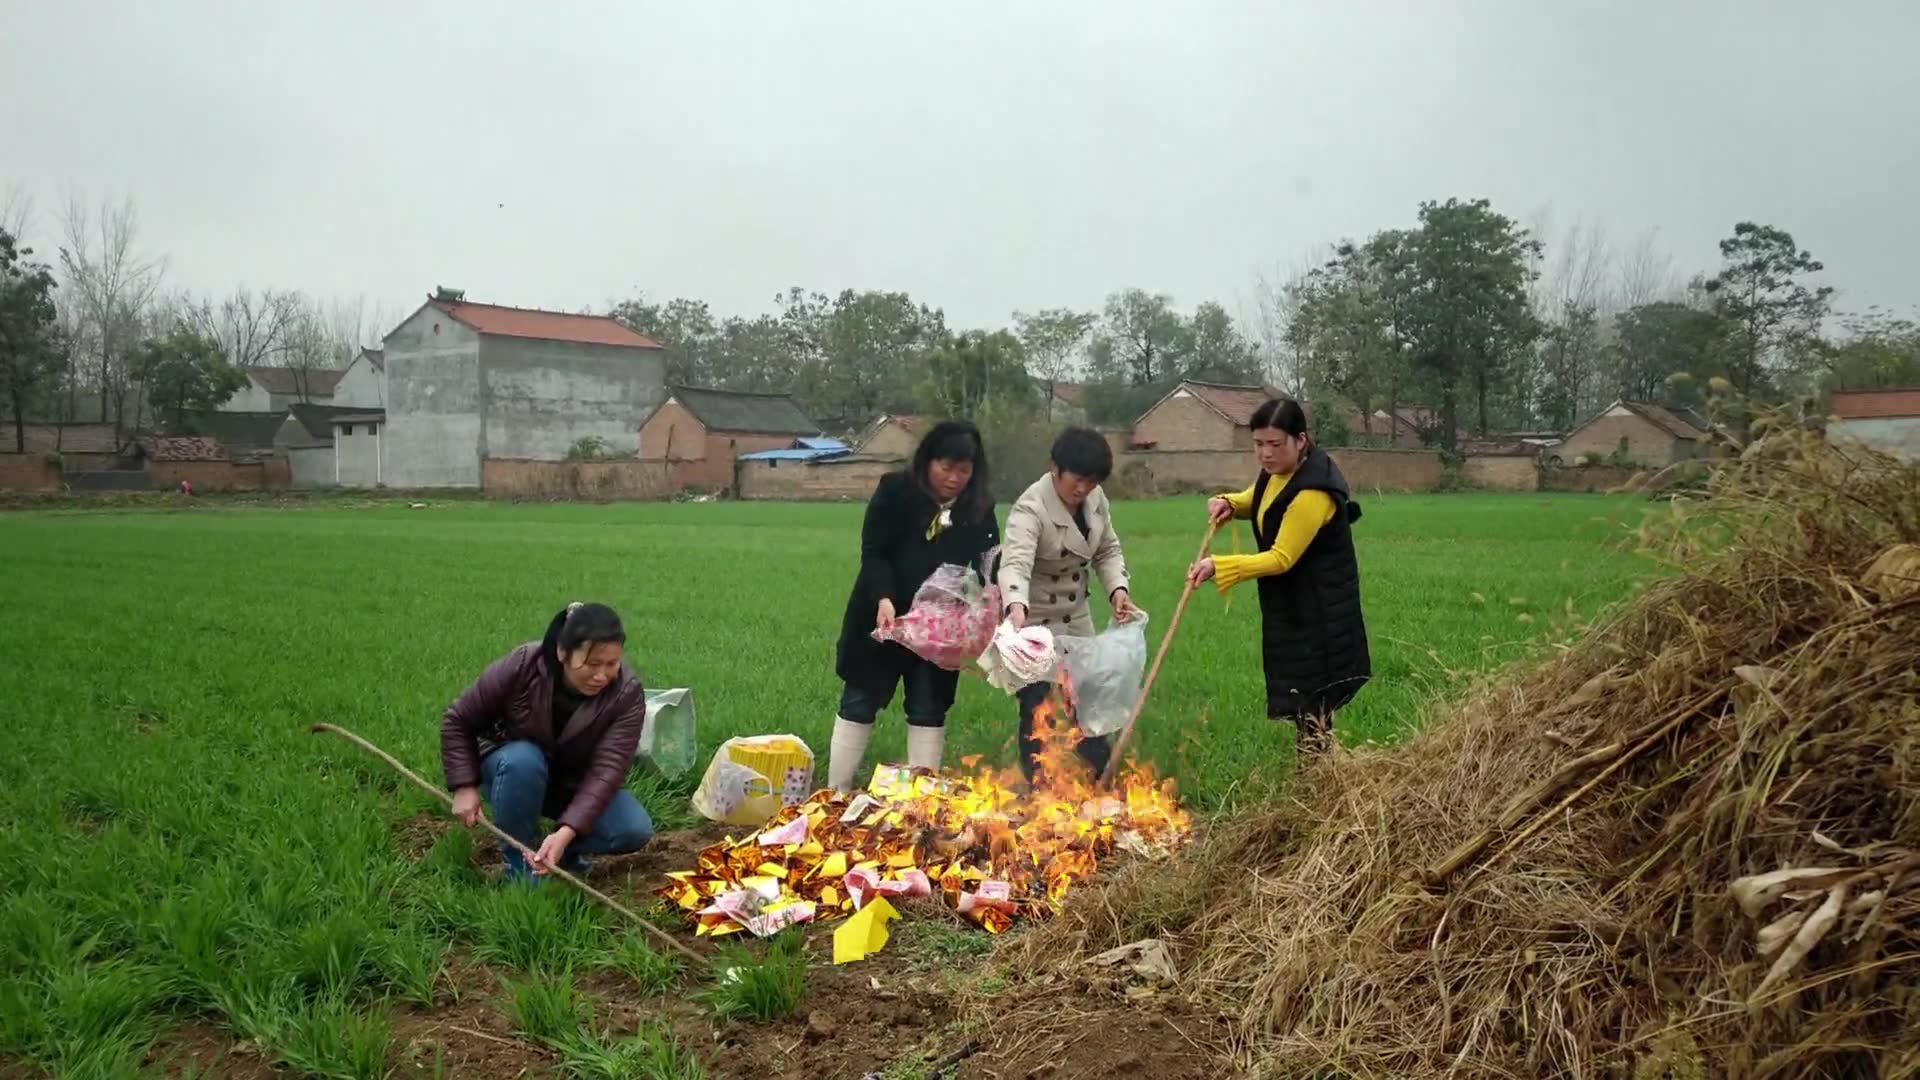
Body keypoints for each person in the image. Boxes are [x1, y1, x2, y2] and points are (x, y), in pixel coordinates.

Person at [1187, 399, 1369, 758]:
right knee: (1305, 706)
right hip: (1295, 606)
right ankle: (1321, 778)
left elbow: (1281, 557)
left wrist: (1220, 566)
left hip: (1320, 611)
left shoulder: (1313, 492)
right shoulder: (1282, 472)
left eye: (1275, 444)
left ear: (1300, 440)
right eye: (1258, 444)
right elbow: (1261, 498)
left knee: (1313, 705)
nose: (1265, 454)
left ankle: (1318, 785)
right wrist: (1230, 503)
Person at [829, 420, 1000, 791]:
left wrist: (995, 606)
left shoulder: (979, 507)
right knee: (860, 699)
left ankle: (921, 807)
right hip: (883, 616)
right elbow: (874, 552)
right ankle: (836, 793)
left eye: (964, 470)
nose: (954, 478)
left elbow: (991, 561)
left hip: (940, 627)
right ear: (927, 461)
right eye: (946, 467)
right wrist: (885, 598)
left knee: (929, 707)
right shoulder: (895, 491)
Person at [440, 602, 654, 882]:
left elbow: (608, 770)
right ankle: (521, 863)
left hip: (572, 784)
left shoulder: (626, 694)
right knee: (523, 760)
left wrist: (566, 833)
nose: (602, 675)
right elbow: (458, 720)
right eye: (591, 664)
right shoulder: (524, 665)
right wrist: (464, 786)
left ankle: (555, 853)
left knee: (632, 829)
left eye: (611, 664)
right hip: (513, 773)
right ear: (562, 652)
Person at [997, 426, 1139, 784]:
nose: (1083, 489)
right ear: (1054, 469)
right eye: (1077, 480)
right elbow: (1015, 563)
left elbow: (1107, 549)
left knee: (1088, 703)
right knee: (1036, 709)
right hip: (1032, 618)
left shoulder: (1096, 500)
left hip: (1075, 615)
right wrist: (1015, 606)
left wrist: (1117, 590)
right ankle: (1038, 788)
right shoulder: (1030, 508)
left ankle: (1102, 779)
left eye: (1092, 482)